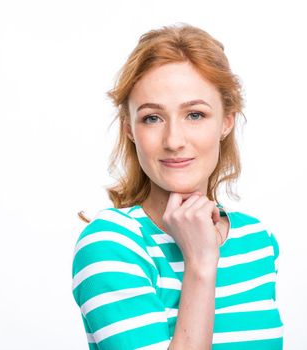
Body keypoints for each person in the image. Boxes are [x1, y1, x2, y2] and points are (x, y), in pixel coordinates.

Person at [72, 23, 283, 349]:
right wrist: (200, 265)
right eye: (152, 118)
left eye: (195, 115)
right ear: (130, 129)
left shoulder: (257, 240)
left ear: (226, 121)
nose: (173, 141)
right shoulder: (111, 243)